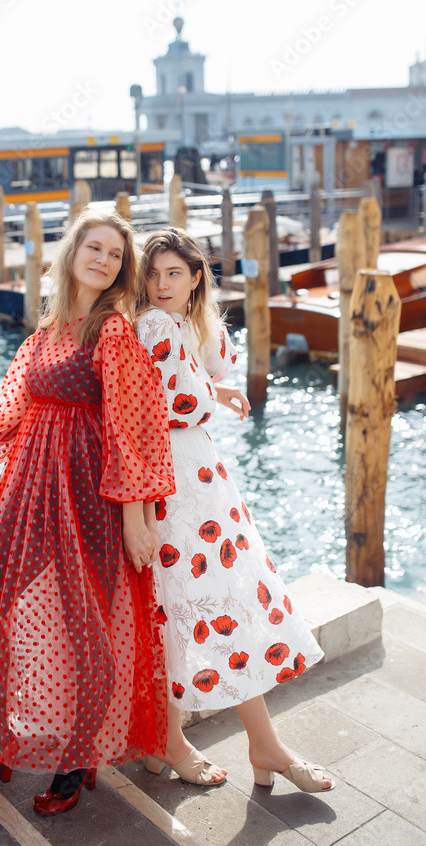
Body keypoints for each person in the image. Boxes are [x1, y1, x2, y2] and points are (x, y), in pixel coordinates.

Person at [0, 212, 175, 815]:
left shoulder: (113, 332)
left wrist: (136, 518)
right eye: (95, 247)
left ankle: (77, 759)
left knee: (91, 635)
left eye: (115, 254)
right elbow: (11, 410)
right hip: (29, 490)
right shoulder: (47, 330)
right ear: (73, 251)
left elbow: (131, 431)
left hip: (89, 498)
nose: (104, 260)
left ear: (120, 270)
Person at [135, 228, 334, 794]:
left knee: (175, 609)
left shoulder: (174, 324)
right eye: (152, 274)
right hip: (174, 489)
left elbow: (201, 376)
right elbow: (154, 409)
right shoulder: (153, 324)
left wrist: (208, 387)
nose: (160, 284)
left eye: (174, 272)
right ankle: (257, 745)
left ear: (197, 276)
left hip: (193, 484)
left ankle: (170, 742)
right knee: (212, 604)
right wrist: (205, 393)